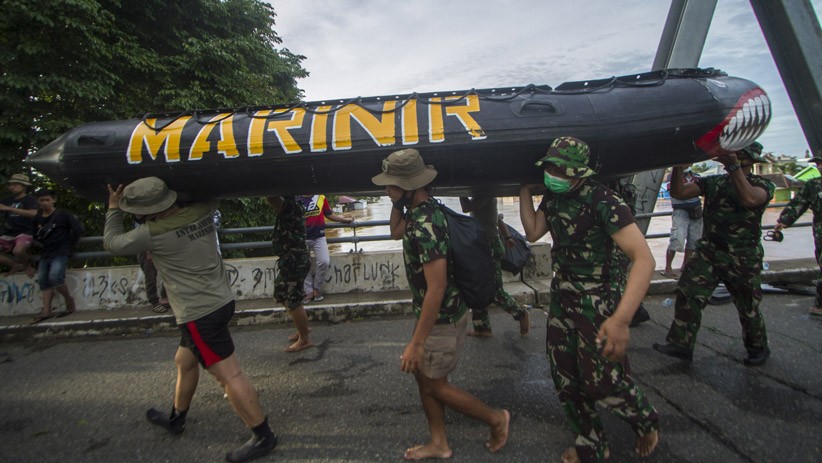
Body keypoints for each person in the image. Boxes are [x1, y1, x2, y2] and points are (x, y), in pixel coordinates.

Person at [103, 177, 277, 463]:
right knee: (184, 361)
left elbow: (112, 242)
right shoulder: (203, 210)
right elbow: (209, 190)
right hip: (221, 302)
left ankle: (264, 437)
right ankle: (177, 418)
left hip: (198, 314)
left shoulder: (150, 233)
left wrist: (112, 207)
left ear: (143, 212)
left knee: (230, 376)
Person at [519, 137, 659, 463]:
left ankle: (645, 420)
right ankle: (591, 443)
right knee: (564, 377)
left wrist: (622, 318)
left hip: (598, 301)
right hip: (563, 296)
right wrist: (525, 191)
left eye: (560, 169)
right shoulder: (554, 196)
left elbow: (644, 260)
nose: (553, 174)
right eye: (549, 167)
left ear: (579, 172)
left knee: (601, 381)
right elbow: (533, 231)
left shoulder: (605, 201)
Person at [372, 148, 510, 460]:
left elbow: (436, 288)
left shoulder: (426, 225)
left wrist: (416, 343)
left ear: (410, 186)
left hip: (442, 317)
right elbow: (395, 232)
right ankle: (439, 442)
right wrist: (397, 201)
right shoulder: (424, 210)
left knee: (435, 386)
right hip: (434, 315)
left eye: (392, 184)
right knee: (426, 379)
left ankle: (496, 419)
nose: (386, 189)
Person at [653, 142, 774, 367]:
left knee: (747, 305)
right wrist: (679, 166)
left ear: (747, 159)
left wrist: (733, 167)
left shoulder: (762, 184)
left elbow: (749, 199)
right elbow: (679, 192)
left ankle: (757, 347)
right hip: (709, 251)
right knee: (688, 292)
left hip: (742, 256)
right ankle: (681, 344)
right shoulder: (714, 182)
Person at [459, 196, 530, 336]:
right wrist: (508, 237)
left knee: (495, 291)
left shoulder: (486, 191)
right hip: (481, 246)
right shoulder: (481, 194)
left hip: (489, 246)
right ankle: (482, 328)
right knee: (477, 289)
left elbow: (466, 207)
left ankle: (521, 314)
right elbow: (496, 218)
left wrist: (460, 190)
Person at [774, 155, 822, 316]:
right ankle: (820, 305)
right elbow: (798, 204)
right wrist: (784, 221)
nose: (819, 166)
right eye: (817, 163)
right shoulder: (814, 185)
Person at [267, 195, 314, 352]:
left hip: (294, 261)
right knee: (280, 294)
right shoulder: (295, 204)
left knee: (293, 300)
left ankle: (304, 338)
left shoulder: (291, 206)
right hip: (290, 260)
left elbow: (271, 197)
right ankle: (302, 327)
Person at [29, 189, 82, 324]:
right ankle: (46, 310)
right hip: (46, 252)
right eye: (42, 200)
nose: (45, 203)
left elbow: (77, 229)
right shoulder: (38, 218)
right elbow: (34, 235)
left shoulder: (63, 215)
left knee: (56, 277)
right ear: (38, 202)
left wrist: (69, 245)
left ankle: (68, 300)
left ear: (53, 200)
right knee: (43, 280)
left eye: (47, 200)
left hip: (61, 251)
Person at [607, 179, 652, 328]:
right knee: (619, 279)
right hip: (618, 245)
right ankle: (635, 310)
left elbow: (646, 262)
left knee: (616, 280)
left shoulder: (611, 198)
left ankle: (633, 311)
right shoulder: (622, 193)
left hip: (617, 247)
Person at [298, 194, 353, 303]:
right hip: (301, 237)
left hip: (319, 236)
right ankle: (308, 292)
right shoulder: (296, 198)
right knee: (304, 264)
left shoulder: (320, 197)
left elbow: (329, 214)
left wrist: (345, 220)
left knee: (324, 261)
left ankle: (316, 288)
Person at [661, 166, 703, 278]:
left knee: (694, 240)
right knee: (677, 238)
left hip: (695, 212)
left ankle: (685, 266)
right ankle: (668, 268)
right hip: (681, 211)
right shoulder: (673, 177)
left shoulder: (697, 177)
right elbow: (674, 192)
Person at [0, 173, 38, 277]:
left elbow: (33, 213)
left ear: (24, 186)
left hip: (26, 232)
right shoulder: (7, 199)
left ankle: (27, 266)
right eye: (11, 185)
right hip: (9, 233)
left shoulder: (29, 199)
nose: (12, 187)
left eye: (16, 184)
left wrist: (10, 209)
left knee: (18, 251)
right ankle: (15, 265)